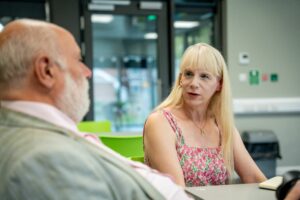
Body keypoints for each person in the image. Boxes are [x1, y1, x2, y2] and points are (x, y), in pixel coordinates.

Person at [0, 19, 192, 200]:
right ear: (47, 70)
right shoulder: (47, 158)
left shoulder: (42, 133)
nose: (88, 72)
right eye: (78, 60)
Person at [143, 43, 267, 187]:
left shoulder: (222, 125)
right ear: (180, 79)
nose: (194, 83)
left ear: (219, 84)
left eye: (204, 76)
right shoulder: (160, 122)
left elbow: (253, 177)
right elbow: (177, 193)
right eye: (188, 74)